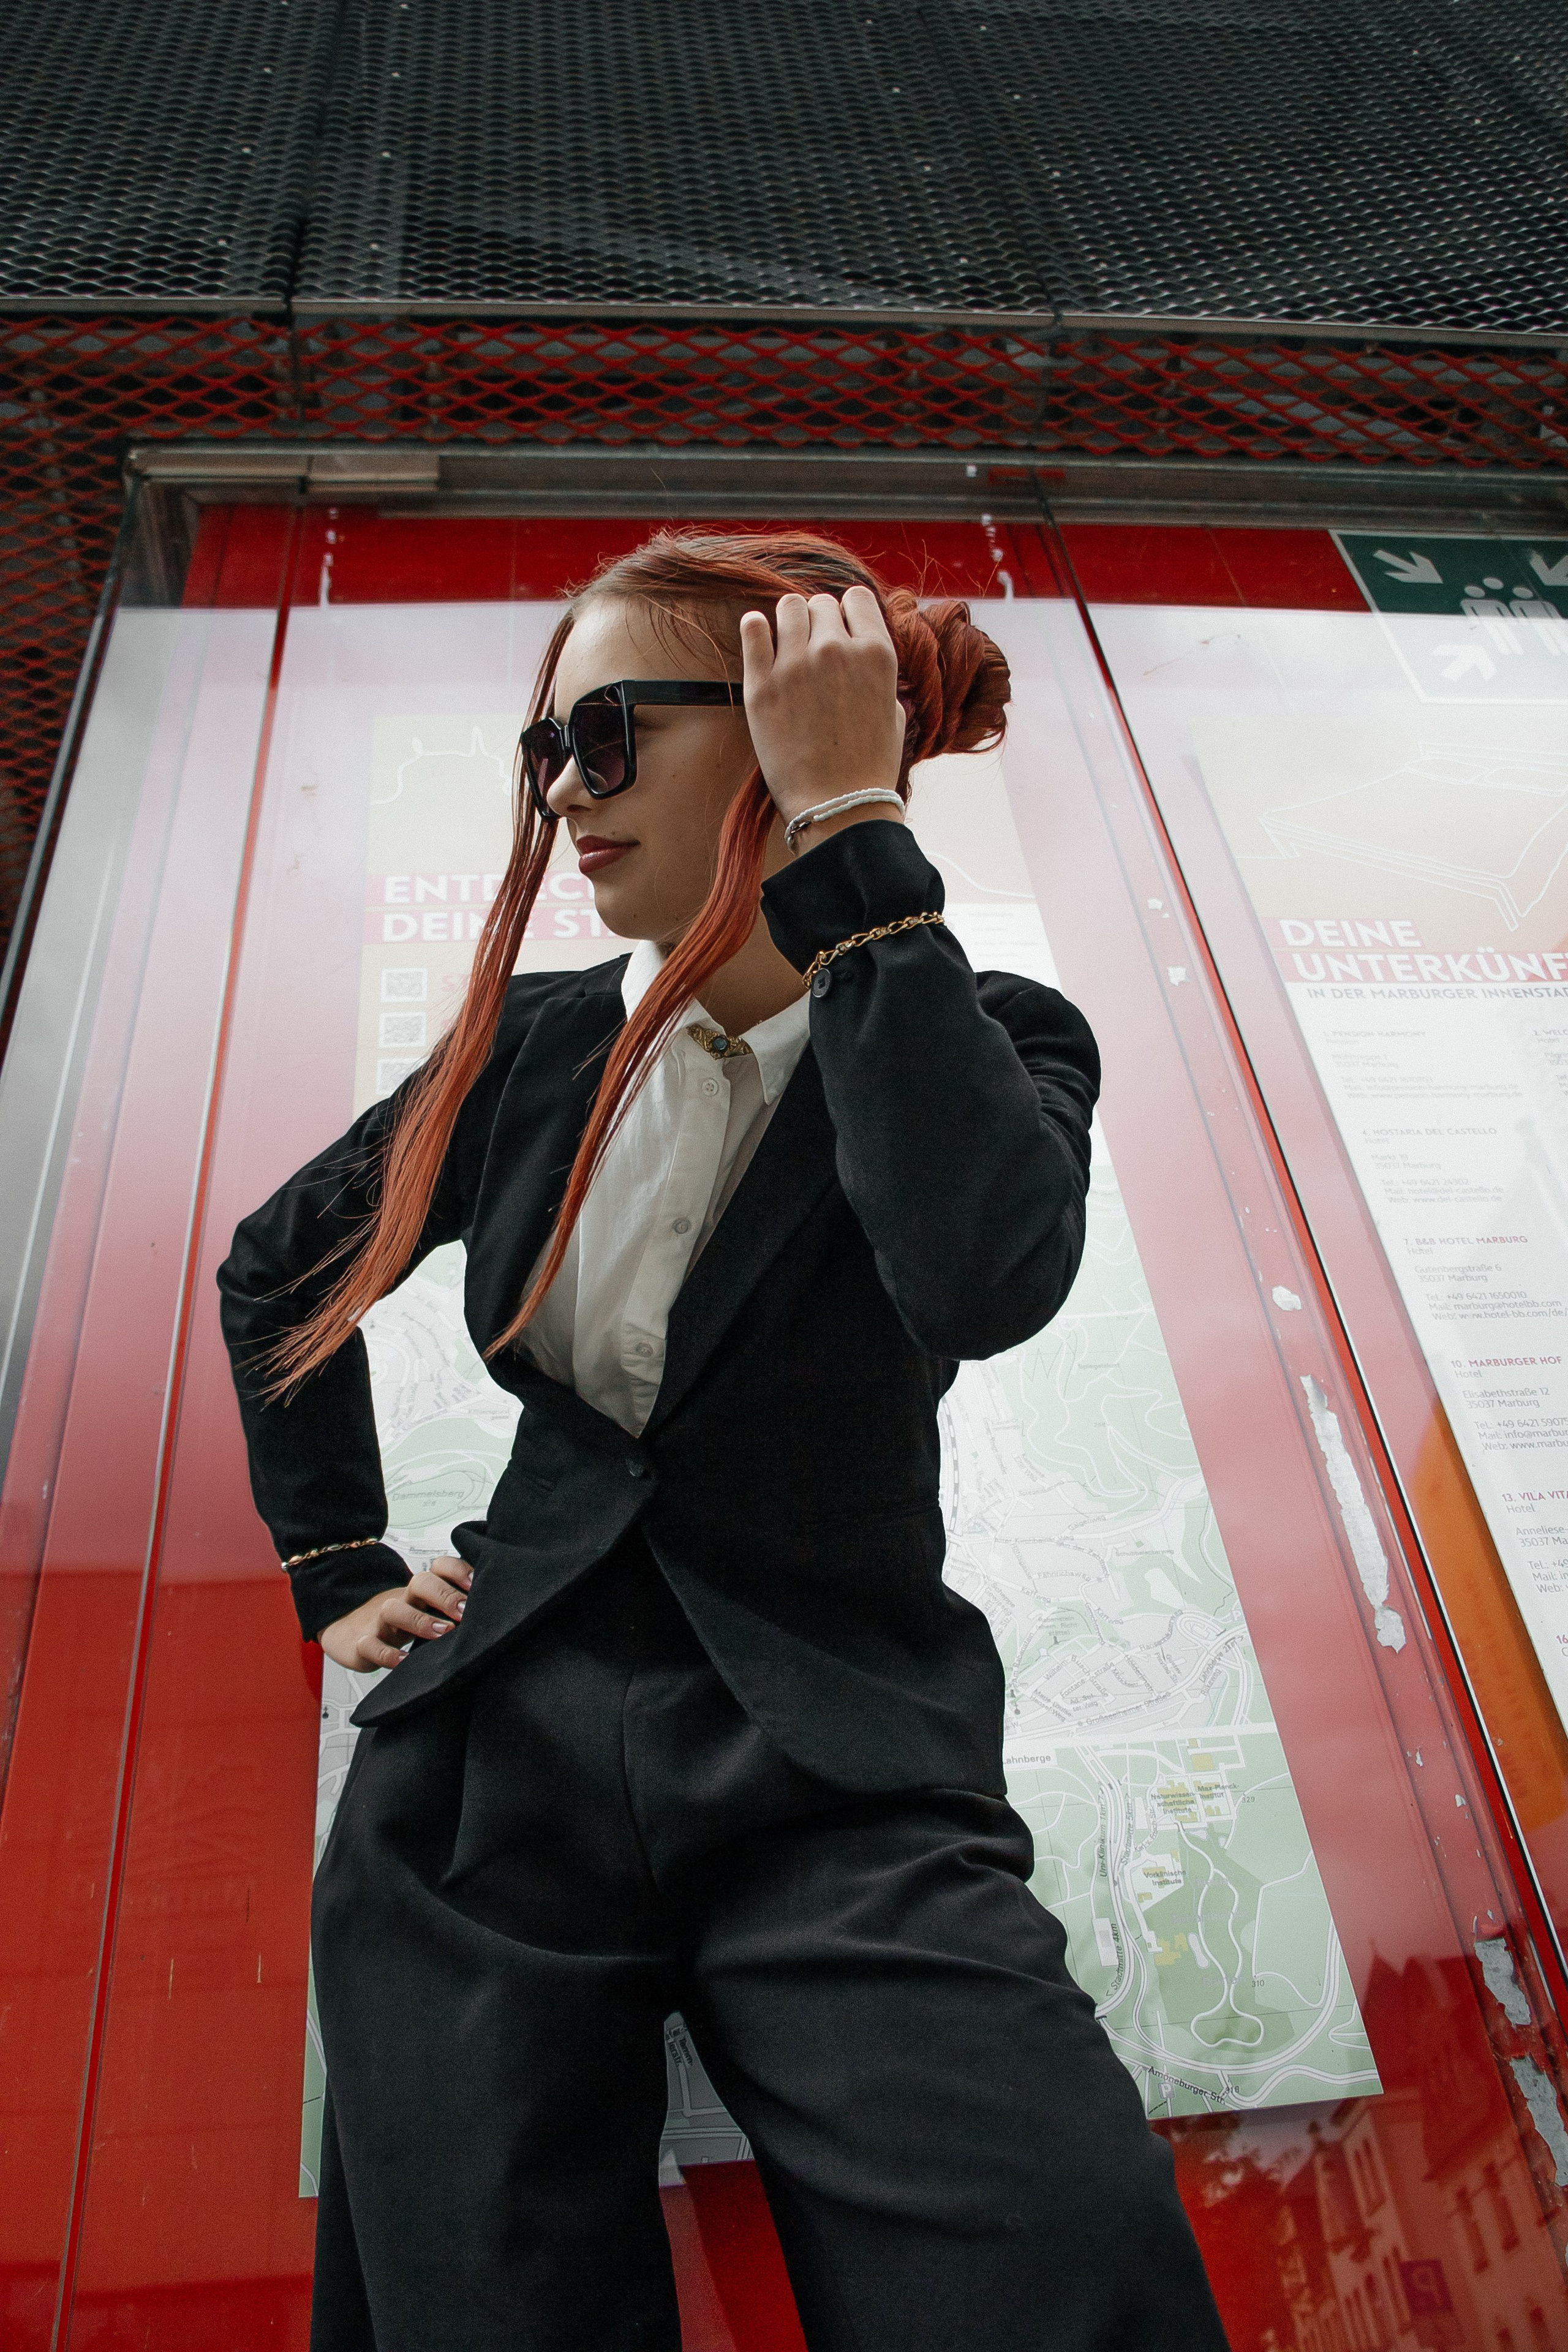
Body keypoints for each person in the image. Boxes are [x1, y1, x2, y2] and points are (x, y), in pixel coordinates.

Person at [219, 530, 1227, 2352]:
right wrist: (337, 1565)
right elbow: (277, 1271)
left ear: (776, 724)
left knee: (1056, 2268)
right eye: (542, 754)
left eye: (602, 738)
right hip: (497, 1744)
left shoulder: (983, 1032)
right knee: (480, 2304)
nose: (563, 798)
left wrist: (853, 829)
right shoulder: (526, 1051)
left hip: (835, 1756)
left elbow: (983, 1276)